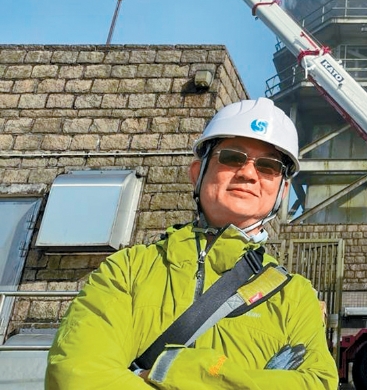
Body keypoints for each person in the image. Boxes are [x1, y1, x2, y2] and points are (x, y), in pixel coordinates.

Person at [46, 98, 339, 389]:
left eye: (268, 166)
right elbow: (76, 375)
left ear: (282, 190)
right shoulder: (128, 269)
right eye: (232, 157)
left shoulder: (296, 296)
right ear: (197, 172)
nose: (249, 173)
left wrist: (177, 371)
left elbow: (317, 384)